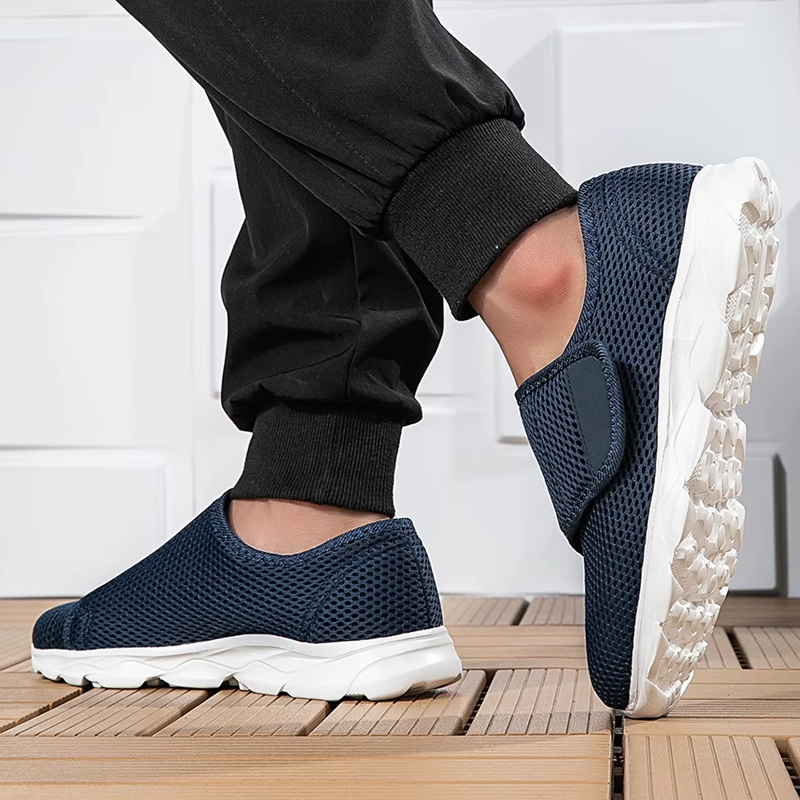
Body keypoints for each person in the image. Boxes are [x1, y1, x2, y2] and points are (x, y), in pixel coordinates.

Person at [29, 1, 780, 719]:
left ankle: (542, 268)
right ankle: (310, 509)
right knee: (272, 87)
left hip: (559, 261)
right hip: (329, 559)